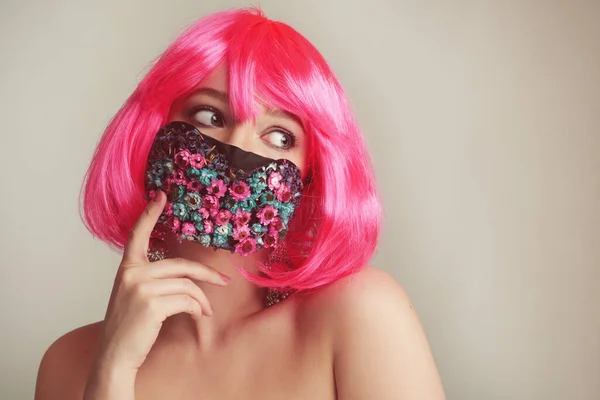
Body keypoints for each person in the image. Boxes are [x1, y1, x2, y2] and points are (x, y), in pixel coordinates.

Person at [35, 7, 445, 400]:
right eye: (211, 116)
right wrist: (113, 371)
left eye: (280, 136)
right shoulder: (69, 363)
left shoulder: (361, 316)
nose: (236, 149)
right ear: (150, 133)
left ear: (311, 176)